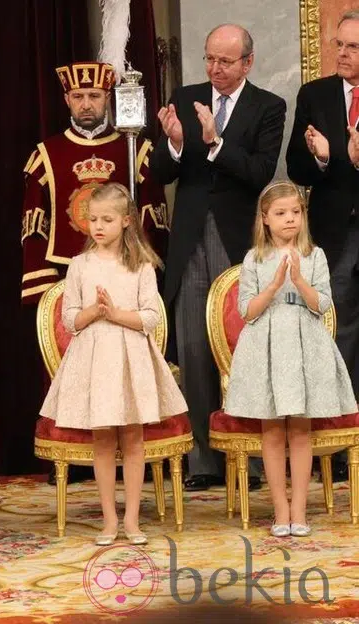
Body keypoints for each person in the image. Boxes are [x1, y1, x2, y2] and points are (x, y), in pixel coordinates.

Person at [21, 61, 170, 486]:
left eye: (95, 96)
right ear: (67, 100)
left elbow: (153, 218)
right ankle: (70, 460)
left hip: (126, 272)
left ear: (108, 99)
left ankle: (136, 461)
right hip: (68, 273)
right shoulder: (45, 154)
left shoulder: (135, 149)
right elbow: (34, 225)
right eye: (78, 97)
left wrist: (147, 271)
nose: (86, 104)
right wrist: (40, 284)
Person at [152, 23, 286, 492]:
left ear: (247, 63)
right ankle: (203, 462)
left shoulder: (268, 106)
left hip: (239, 239)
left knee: (244, 347)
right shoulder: (186, 97)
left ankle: (250, 460)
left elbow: (259, 172)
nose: (215, 68)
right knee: (192, 346)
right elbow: (161, 171)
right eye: (210, 58)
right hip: (190, 236)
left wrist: (215, 142)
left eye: (225, 61)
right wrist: (175, 142)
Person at [39, 183, 187, 545]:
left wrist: (116, 313)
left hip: (130, 358)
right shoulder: (80, 266)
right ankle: (109, 520)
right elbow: (70, 320)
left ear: (126, 221)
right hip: (94, 360)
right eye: (93, 220)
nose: (98, 226)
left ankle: (132, 519)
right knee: (103, 440)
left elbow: (151, 317)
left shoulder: (141, 265)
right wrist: (94, 311)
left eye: (106, 219)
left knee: (133, 439)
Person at [223, 181, 357, 536]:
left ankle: (299, 508)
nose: (290, 219)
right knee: (272, 431)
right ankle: (280, 508)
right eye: (281, 213)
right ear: (265, 218)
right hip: (266, 346)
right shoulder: (254, 258)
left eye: (296, 212)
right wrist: (273, 286)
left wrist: (298, 280)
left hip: (303, 347)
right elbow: (247, 311)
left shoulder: (315, 255)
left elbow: (322, 304)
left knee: (299, 430)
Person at [286, 9, 359, 482]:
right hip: (335, 233)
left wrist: (348, 160)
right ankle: (338, 448)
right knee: (338, 333)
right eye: (339, 44)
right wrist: (324, 159)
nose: (342, 53)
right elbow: (295, 166)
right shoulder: (315, 95)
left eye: (353, 47)